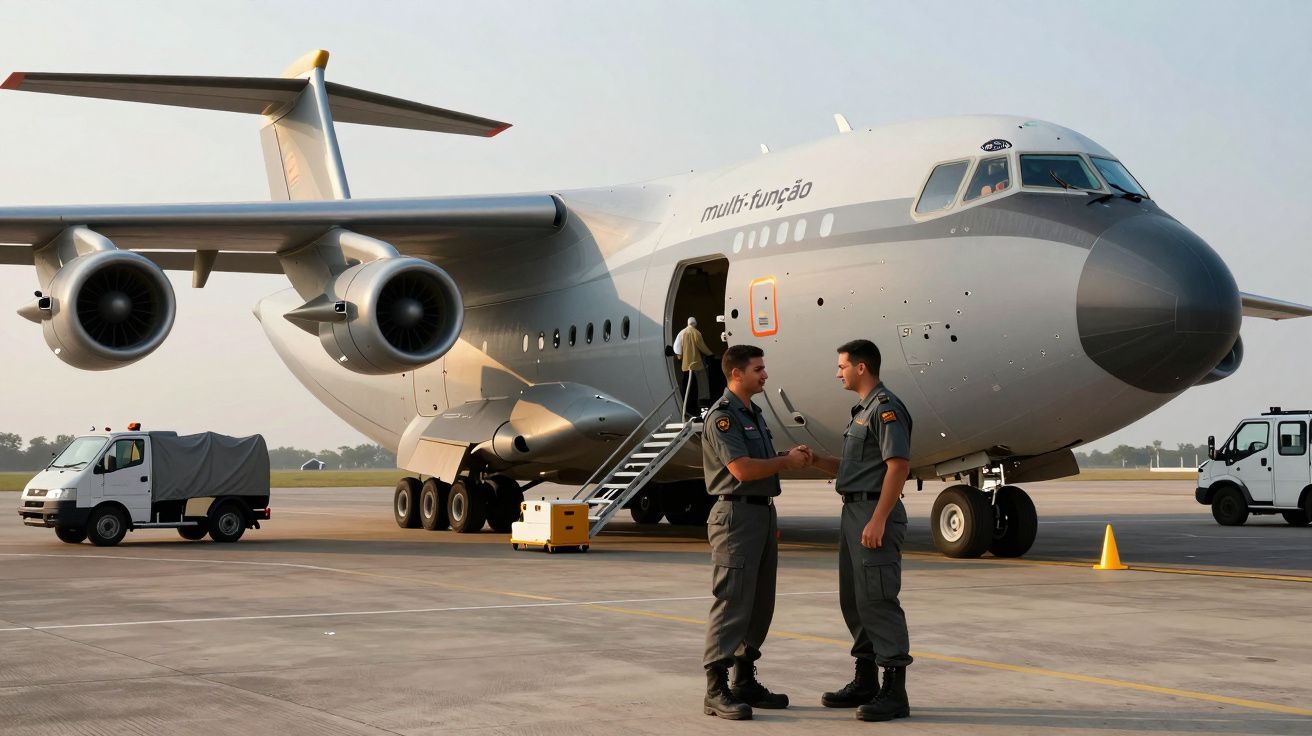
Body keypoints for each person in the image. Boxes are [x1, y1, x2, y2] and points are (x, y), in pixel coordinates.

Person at [699, 344, 811, 720]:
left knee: (760, 602)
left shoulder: (754, 414)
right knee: (732, 601)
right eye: (758, 369)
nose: (764, 375)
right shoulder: (723, 417)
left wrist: (785, 456)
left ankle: (744, 678)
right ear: (736, 374)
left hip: (761, 515)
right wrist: (785, 462)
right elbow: (742, 470)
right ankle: (715, 689)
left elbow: (759, 463)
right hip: (735, 516)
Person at [806, 339, 914, 722]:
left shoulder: (885, 409)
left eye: (842, 366)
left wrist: (879, 518)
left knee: (878, 599)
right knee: (854, 599)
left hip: (873, 510)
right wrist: (818, 460)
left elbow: (897, 466)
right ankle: (865, 679)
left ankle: (894, 690)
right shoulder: (861, 413)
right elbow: (856, 469)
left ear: (861, 368)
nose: (838, 372)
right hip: (855, 511)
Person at [674, 317, 714, 416]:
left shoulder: (682, 333)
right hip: (697, 364)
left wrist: (679, 356)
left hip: (686, 365)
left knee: (687, 385)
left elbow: (676, 347)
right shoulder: (696, 332)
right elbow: (701, 346)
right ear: (695, 323)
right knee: (700, 385)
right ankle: (702, 404)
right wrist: (710, 354)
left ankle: (687, 405)